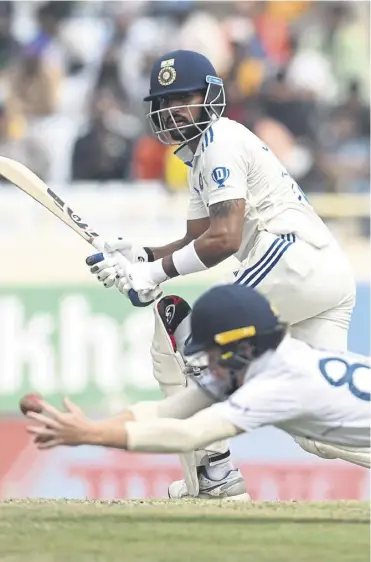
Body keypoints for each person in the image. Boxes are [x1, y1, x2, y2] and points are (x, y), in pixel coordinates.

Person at [84, 50, 356, 499]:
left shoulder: (219, 141)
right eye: (166, 102)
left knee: (194, 335)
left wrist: (152, 273)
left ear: (210, 96)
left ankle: (216, 476)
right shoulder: (200, 157)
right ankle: (213, 476)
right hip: (320, 273)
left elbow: (226, 240)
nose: (174, 110)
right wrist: (143, 255)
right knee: (320, 429)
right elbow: (201, 238)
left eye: (185, 98)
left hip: (292, 259)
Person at [26, 284, 370, 484]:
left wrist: (89, 436)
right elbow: (167, 410)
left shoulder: (278, 383)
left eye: (213, 352)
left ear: (242, 345)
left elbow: (190, 434)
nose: (208, 362)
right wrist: (88, 426)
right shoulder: (260, 361)